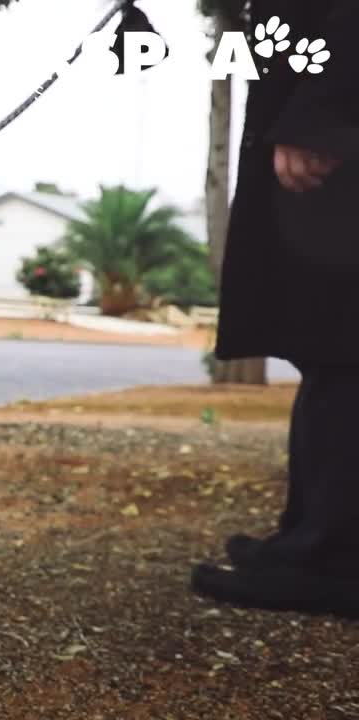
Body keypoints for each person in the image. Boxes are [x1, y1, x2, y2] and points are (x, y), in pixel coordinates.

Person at [191, 0, 359, 617]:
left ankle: (330, 561)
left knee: (346, 352)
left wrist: (323, 115)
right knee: (328, 351)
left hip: (337, 129)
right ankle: (306, 542)